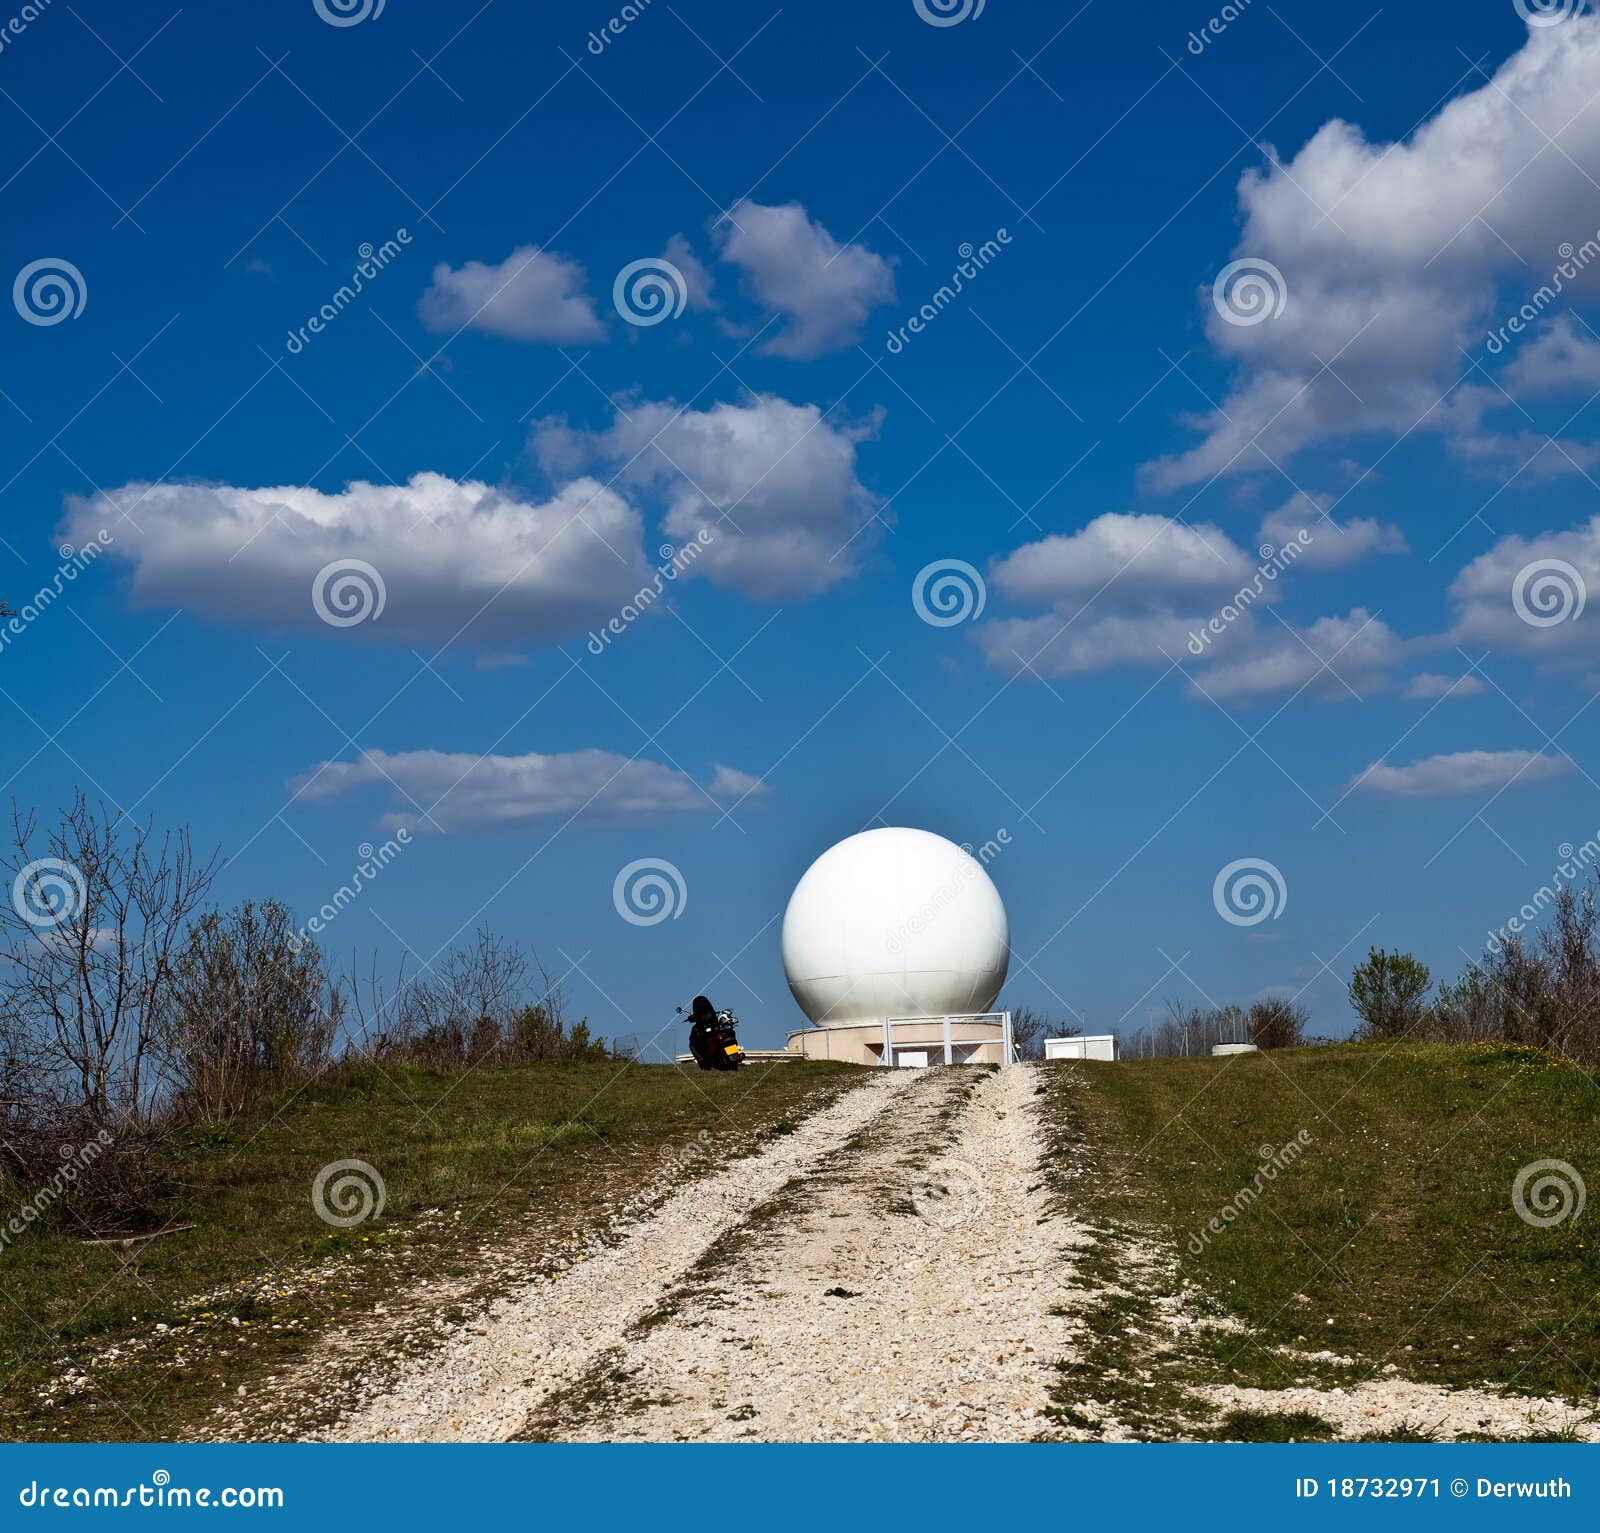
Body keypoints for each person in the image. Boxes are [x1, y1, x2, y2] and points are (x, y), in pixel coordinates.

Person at [688, 994, 717, 1067]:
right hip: (714, 1028)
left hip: (709, 1032)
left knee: (692, 1043)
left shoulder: (699, 1022)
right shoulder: (711, 1013)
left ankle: (701, 1060)